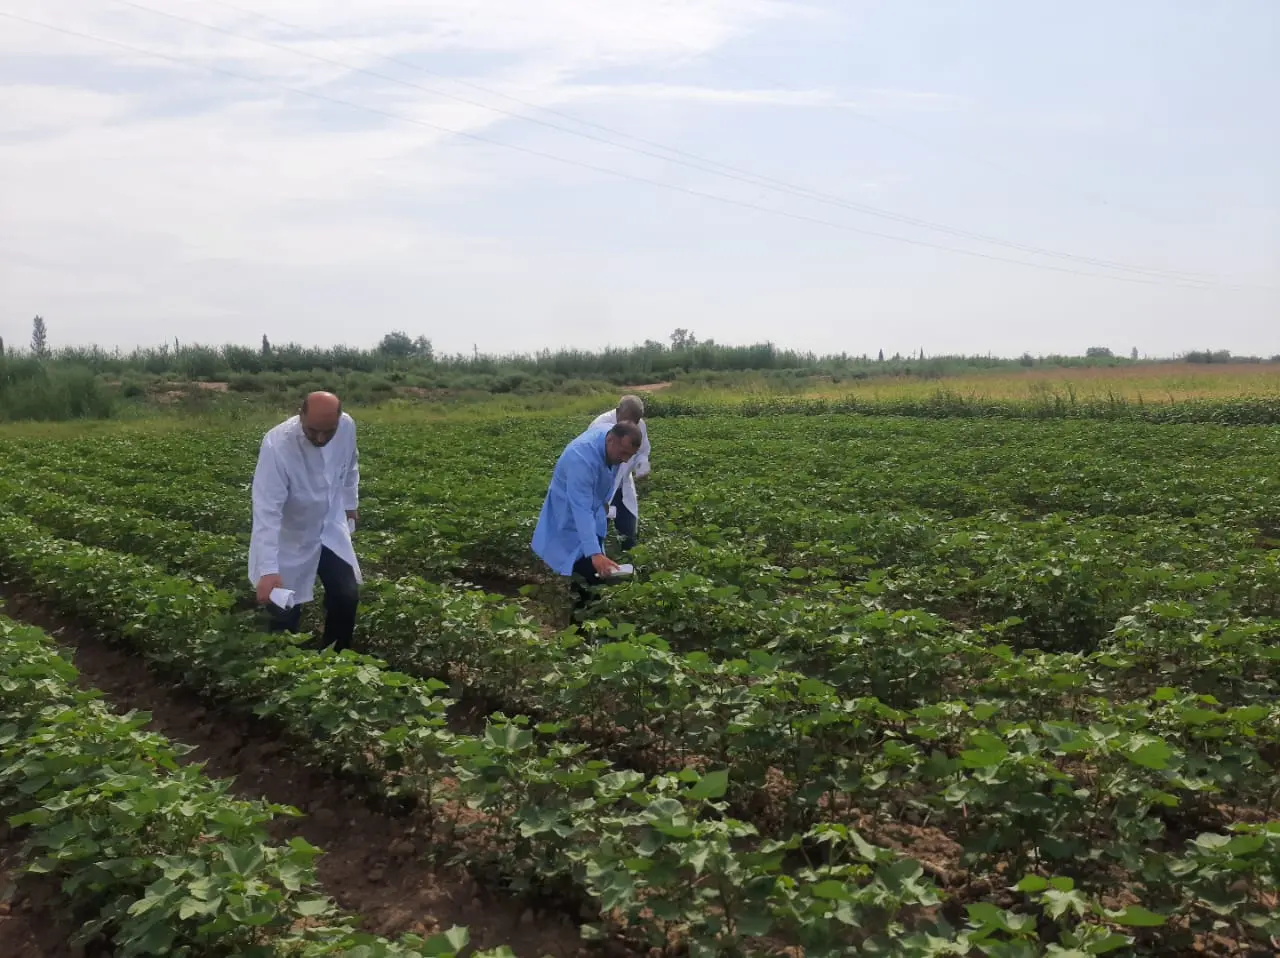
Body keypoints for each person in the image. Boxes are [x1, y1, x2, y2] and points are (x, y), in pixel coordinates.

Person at [248, 390, 362, 651]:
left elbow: (351, 463)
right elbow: (267, 509)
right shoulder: (277, 445)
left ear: (339, 419)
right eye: (313, 431)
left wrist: (350, 503)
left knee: (346, 595)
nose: (321, 438)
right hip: (290, 537)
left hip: (328, 527)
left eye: (328, 432)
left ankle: (337, 658)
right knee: (285, 610)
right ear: (300, 415)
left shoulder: (346, 426)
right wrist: (268, 570)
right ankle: (284, 671)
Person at [532, 421, 643, 616]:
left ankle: (587, 624)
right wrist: (594, 553)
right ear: (610, 440)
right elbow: (580, 508)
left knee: (593, 574)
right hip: (570, 512)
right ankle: (579, 634)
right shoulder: (581, 458)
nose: (625, 460)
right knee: (587, 574)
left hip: (591, 510)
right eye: (623, 453)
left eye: (630, 456)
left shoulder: (611, 445)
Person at [589, 394, 651, 552]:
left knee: (628, 529)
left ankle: (629, 565)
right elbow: (592, 461)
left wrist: (642, 464)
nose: (631, 425)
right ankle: (594, 567)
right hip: (600, 487)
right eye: (627, 419)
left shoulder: (640, 425)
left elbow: (642, 451)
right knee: (597, 528)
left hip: (622, 485)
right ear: (618, 411)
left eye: (635, 421)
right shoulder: (600, 425)